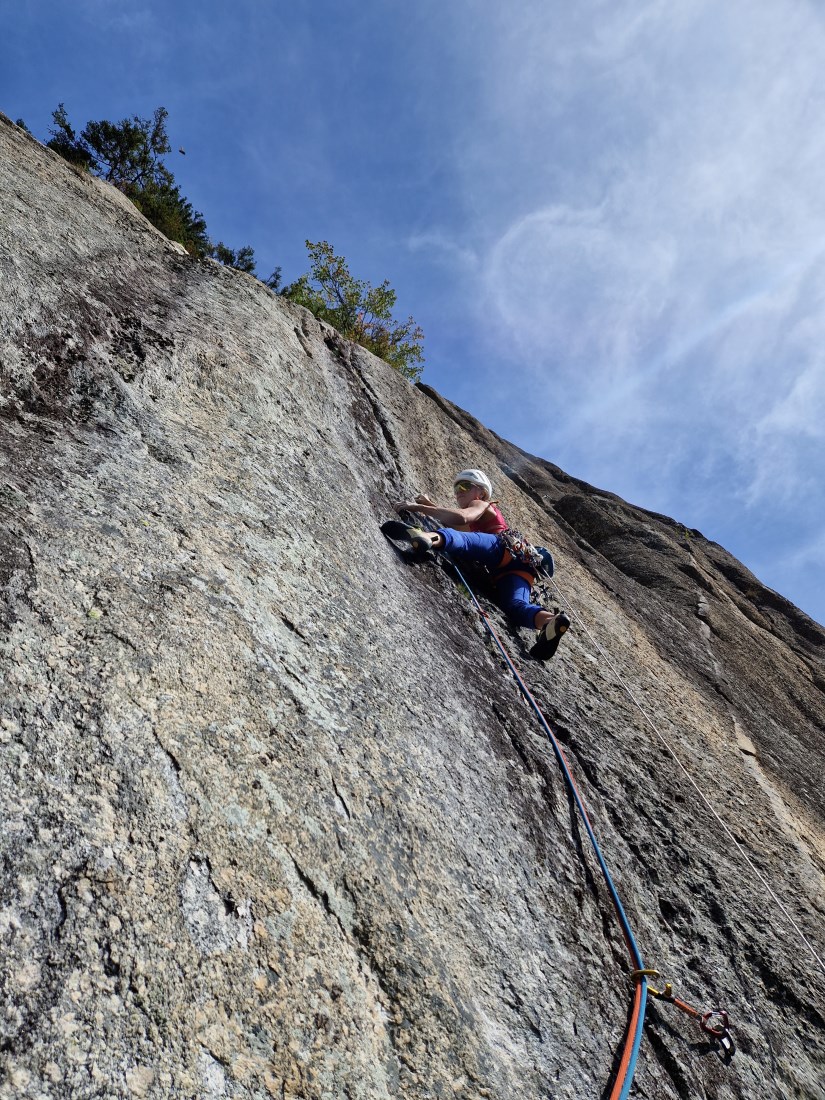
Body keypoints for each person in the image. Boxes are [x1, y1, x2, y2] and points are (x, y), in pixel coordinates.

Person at [394, 469, 570, 660]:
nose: (458, 491)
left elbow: (462, 519)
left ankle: (425, 537)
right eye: (456, 488)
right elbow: (455, 521)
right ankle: (550, 622)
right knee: (515, 607)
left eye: (464, 486)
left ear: (481, 492)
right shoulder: (480, 515)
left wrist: (417, 507)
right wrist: (429, 504)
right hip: (521, 568)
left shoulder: (481, 504)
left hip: (502, 548)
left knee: (463, 540)